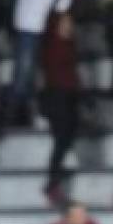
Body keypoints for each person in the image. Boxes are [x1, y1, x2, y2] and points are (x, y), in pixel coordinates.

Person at [8, 0, 72, 126]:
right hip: (27, 25)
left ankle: (26, 111)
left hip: (41, 27)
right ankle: (15, 112)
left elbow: (62, 6)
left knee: (34, 72)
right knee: (24, 71)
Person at [40, 11, 80, 206]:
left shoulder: (69, 44)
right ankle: (53, 181)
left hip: (69, 95)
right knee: (61, 139)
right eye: (65, 22)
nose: (68, 26)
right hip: (57, 96)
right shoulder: (53, 45)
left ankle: (55, 179)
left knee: (65, 139)